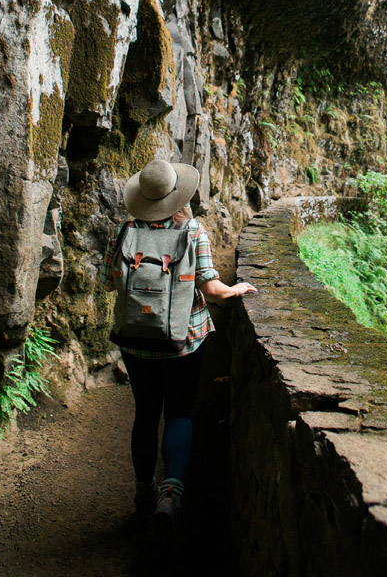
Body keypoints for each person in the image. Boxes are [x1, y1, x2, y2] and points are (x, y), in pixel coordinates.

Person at [100, 158, 257, 533]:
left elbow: (110, 284)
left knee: (146, 414)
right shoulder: (193, 232)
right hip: (184, 341)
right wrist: (237, 288)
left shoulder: (123, 234)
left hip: (136, 343)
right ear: (177, 195)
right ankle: (171, 495)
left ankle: (143, 492)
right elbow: (212, 290)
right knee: (181, 413)